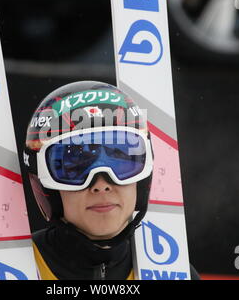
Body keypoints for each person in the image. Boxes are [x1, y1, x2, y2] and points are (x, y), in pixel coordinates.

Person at [23, 81, 200, 280]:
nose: (102, 185)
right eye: (76, 166)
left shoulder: (175, 273)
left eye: (121, 160)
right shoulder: (6, 266)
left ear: (141, 181)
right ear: (46, 185)